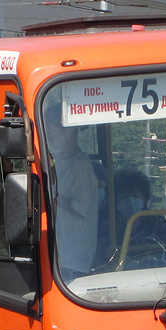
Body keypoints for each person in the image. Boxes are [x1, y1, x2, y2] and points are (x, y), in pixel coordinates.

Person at [43, 109, 99, 278]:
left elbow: (81, 207)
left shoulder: (81, 166)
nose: (51, 139)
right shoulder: (57, 160)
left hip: (74, 256)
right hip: (59, 251)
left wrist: (51, 196)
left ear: (68, 131)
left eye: (52, 133)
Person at [113, 168, 166, 247]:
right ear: (115, 201)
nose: (130, 201)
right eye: (124, 197)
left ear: (145, 199)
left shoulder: (156, 221)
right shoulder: (110, 225)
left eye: (135, 196)